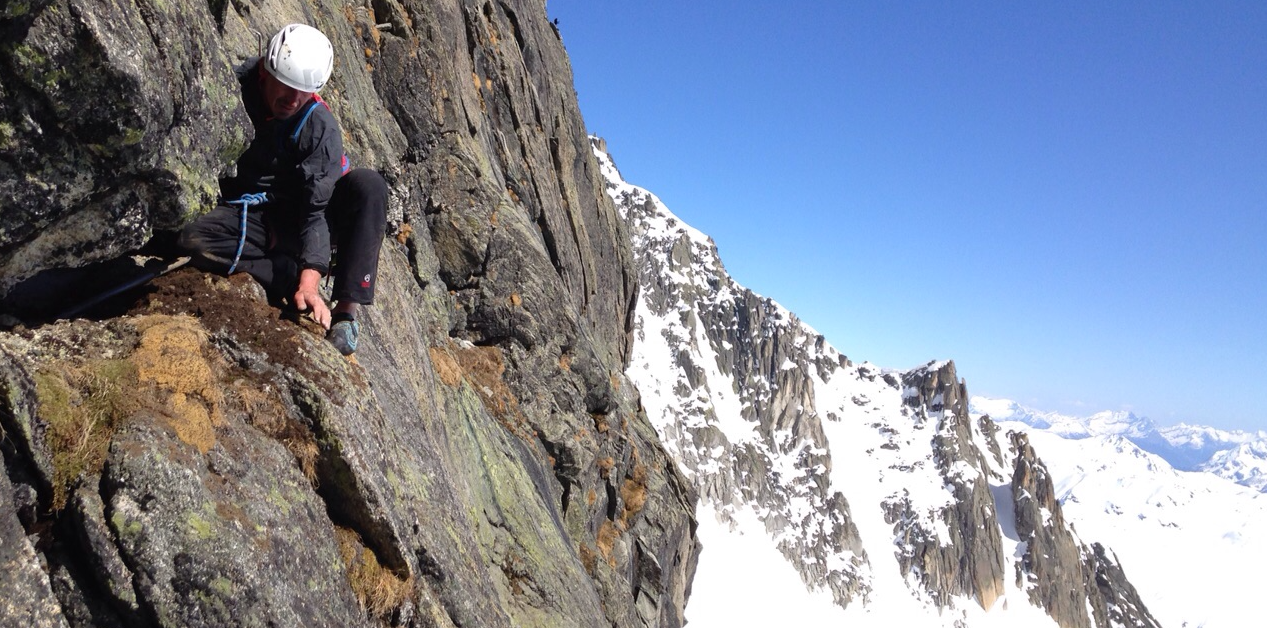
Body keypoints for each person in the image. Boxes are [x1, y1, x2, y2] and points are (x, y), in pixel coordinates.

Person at [177, 23, 386, 355]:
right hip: (253, 213)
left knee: (369, 186)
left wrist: (311, 283)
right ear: (265, 70)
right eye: (287, 86)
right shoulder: (232, 89)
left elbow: (316, 210)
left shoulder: (318, 126)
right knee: (193, 236)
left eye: (304, 92)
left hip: (307, 216)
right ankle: (283, 274)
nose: (293, 99)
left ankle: (346, 313)